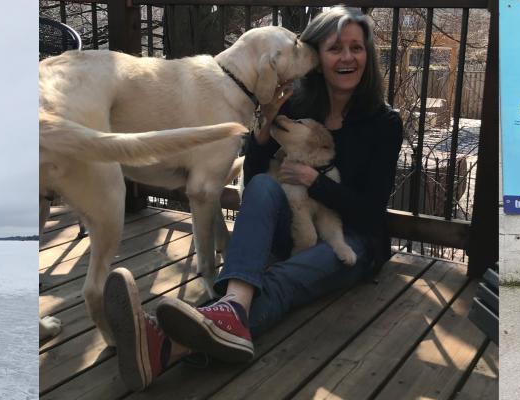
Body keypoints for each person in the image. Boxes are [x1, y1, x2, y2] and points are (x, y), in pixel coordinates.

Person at [102, 6, 404, 391]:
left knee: (279, 280)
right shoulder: (294, 104)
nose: (347, 57)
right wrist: (262, 132)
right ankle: (226, 309)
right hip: (289, 227)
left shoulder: (384, 122)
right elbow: (256, 175)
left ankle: (170, 341)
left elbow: (370, 211)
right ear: (317, 56)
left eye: (356, 48)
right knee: (263, 188)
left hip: (349, 242)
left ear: (368, 55)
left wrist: (316, 181)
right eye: (335, 48)